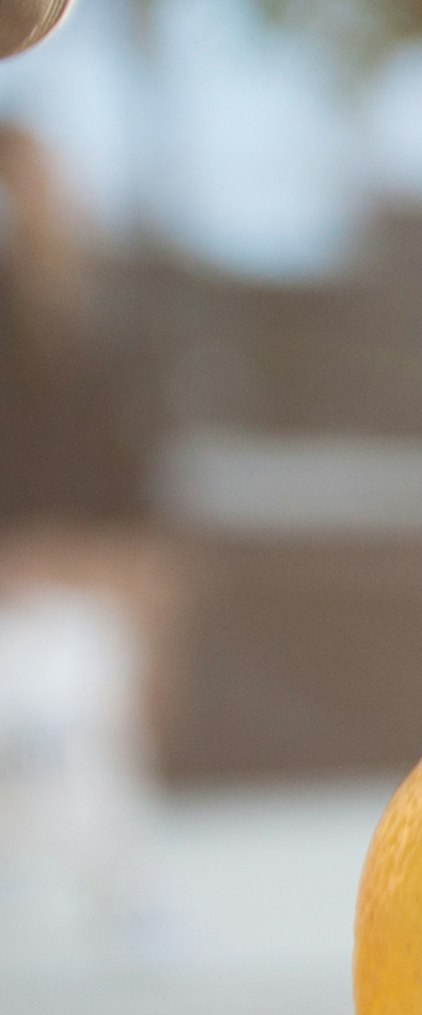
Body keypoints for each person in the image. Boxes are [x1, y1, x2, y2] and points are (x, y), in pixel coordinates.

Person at [0, 115, 168, 963]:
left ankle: (96, 892)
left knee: (70, 680)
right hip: (25, 604)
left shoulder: (101, 343)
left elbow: (138, 524)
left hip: (76, 609)